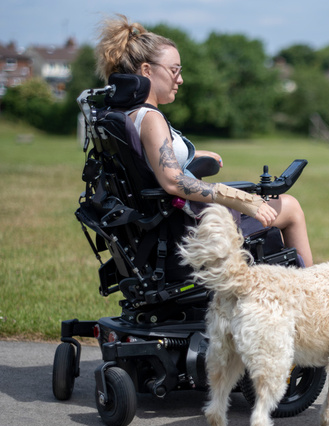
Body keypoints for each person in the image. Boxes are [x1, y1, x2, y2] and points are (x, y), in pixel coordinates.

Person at [94, 14, 313, 265]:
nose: (180, 79)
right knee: (290, 207)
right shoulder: (151, 118)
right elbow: (174, 182)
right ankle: (312, 296)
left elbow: (149, 159)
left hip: (165, 228)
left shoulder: (127, 115)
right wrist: (243, 200)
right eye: (174, 70)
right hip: (189, 232)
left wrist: (193, 154)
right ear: (146, 70)